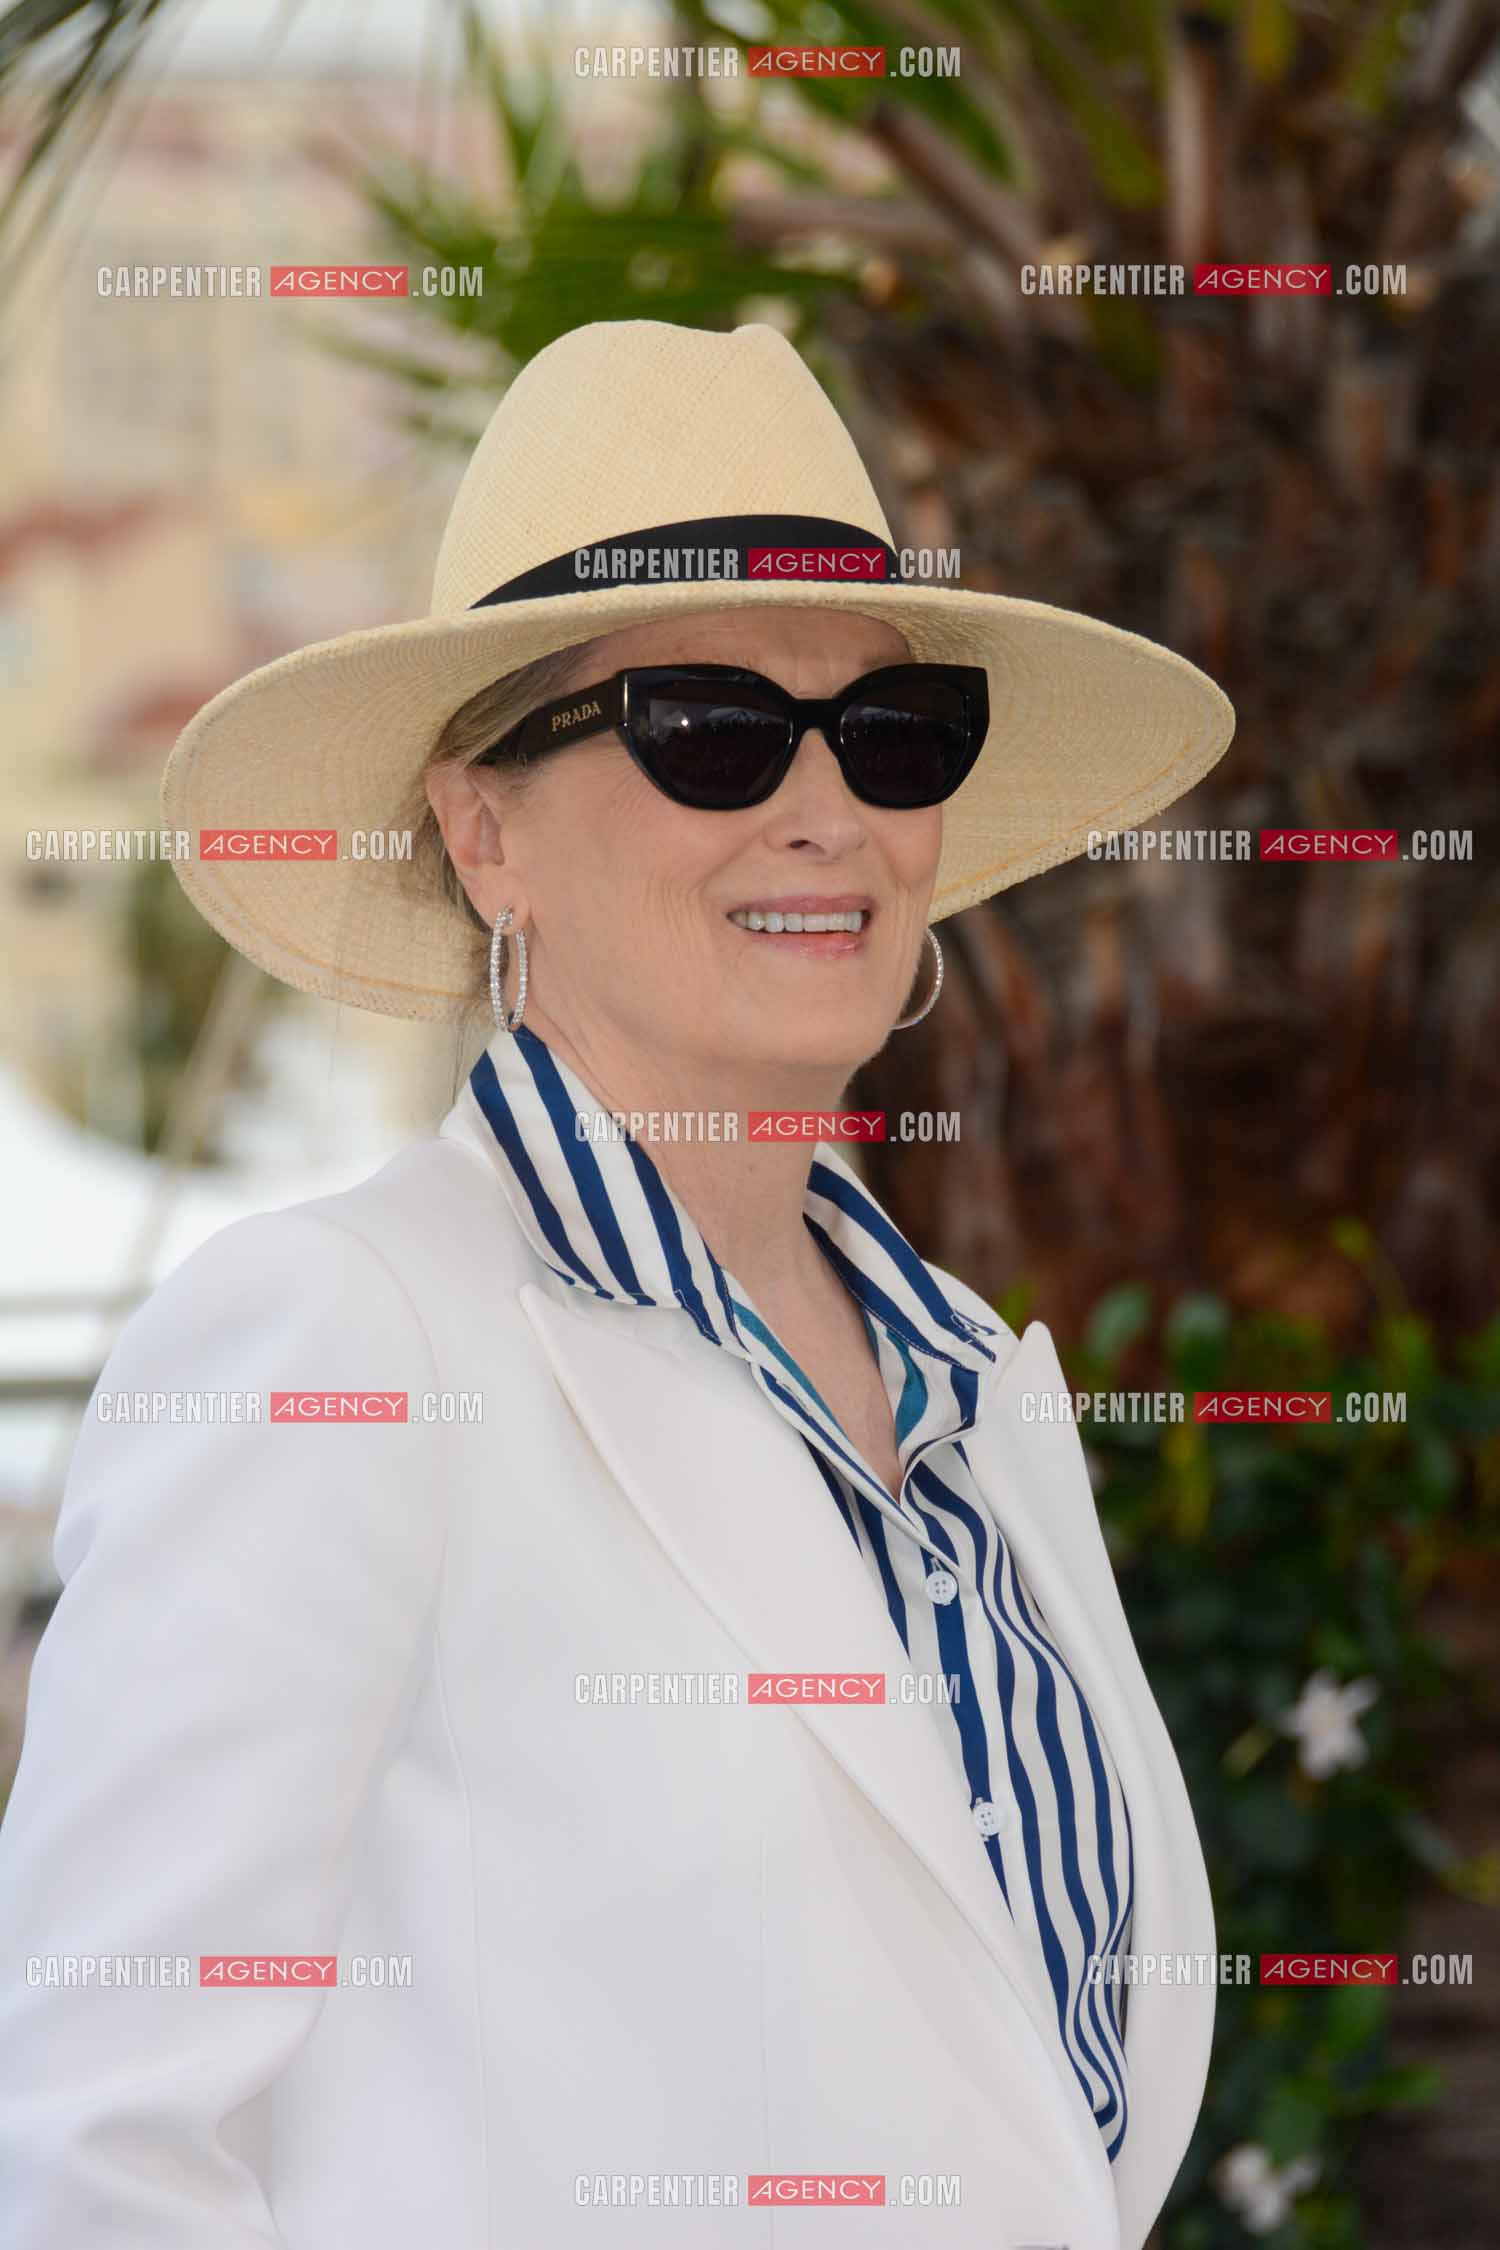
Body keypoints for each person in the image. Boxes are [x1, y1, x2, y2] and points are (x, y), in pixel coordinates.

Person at [0, 319, 1233, 2249]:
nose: (826, 810)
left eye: (894, 735)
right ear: (486, 834)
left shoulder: (974, 1380)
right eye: (710, 728)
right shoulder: (338, 1340)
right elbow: (86, 2149)